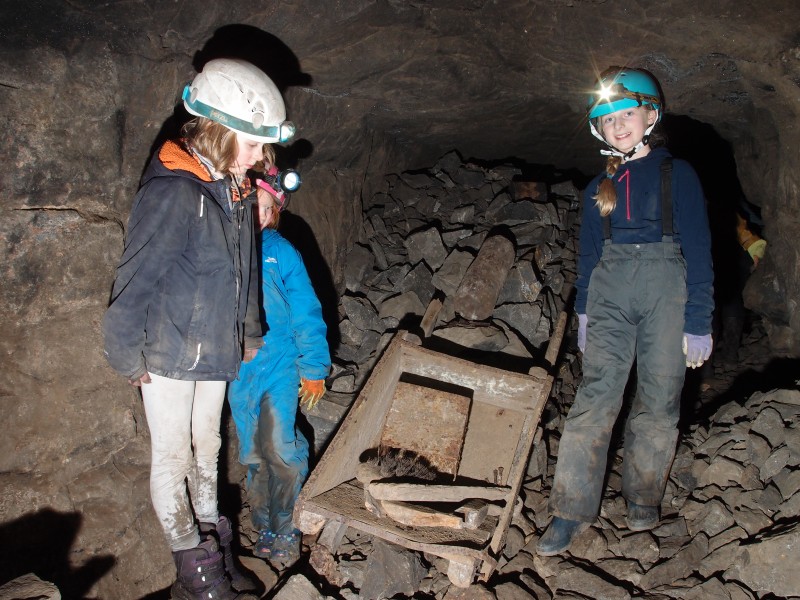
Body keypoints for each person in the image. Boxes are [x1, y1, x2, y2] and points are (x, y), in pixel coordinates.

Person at [102, 58, 297, 598]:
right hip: (167, 350)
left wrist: (250, 331)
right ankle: (195, 569)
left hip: (215, 346)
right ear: (221, 131)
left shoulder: (232, 189)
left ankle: (216, 546)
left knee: (207, 444)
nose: (262, 158)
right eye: (255, 144)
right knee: (171, 453)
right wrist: (126, 357)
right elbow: (134, 280)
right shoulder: (174, 190)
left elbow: (246, 270)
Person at [536, 67, 714, 556]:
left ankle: (643, 498)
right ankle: (569, 509)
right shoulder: (599, 186)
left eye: (628, 114)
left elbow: (699, 247)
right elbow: (589, 255)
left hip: (667, 287)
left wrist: (699, 318)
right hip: (611, 289)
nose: (619, 126)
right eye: (608, 119)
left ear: (649, 116)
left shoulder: (679, 174)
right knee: (596, 396)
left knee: (659, 398)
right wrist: (587, 312)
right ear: (599, 128)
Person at [227, 178, 330, 567]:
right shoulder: (226, 249)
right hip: (239, 372)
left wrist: (314, 366)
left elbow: (306, 309)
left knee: (279, 447)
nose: (256, 212)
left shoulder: (281, 253)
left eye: (264, 207)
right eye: (249, 204)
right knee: (253, 451)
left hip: (280, 365)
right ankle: (265, 521)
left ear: (274, 214)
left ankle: (287, 526)